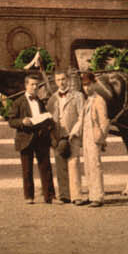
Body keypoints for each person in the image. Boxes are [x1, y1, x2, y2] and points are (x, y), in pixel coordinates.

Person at [7, 73, 55, 204]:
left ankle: (49, 196)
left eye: (37, 85)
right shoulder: (18, 102)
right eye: (32, 84)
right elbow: (11, 120)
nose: (35, 87)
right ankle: (29, 196)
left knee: (45, 167)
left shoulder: (40, 101)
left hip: (41, 138)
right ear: (26, 85)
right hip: (25, 138)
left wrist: (47, 119)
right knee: (27, 169)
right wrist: (22, 121)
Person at [47, 71, 85, 204]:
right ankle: (64, 194)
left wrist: (75, 131)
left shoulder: (78, 96)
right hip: (58, 135)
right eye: (58, 80)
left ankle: (76, 196)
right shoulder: (52, 98)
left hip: (72, 134)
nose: (61, 82)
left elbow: (82, 116)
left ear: (67, 80)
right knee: (60, 164)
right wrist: (52, 135)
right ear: (55, 82)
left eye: (63, 79)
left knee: (73, 163)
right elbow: (49, 118)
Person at [73, 71, 110, 208]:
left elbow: (104, 122)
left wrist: (100, 139)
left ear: (94, 84)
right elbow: (82, 119)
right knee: (88, 166)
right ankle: (91, 194)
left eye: (89, 85)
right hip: (86, 136)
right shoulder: (87, 100)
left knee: (95, 166)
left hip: (94, 137)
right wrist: (76, 132)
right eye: (84, 86)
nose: (86, 88)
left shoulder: (99, 100)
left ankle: (98, 196)